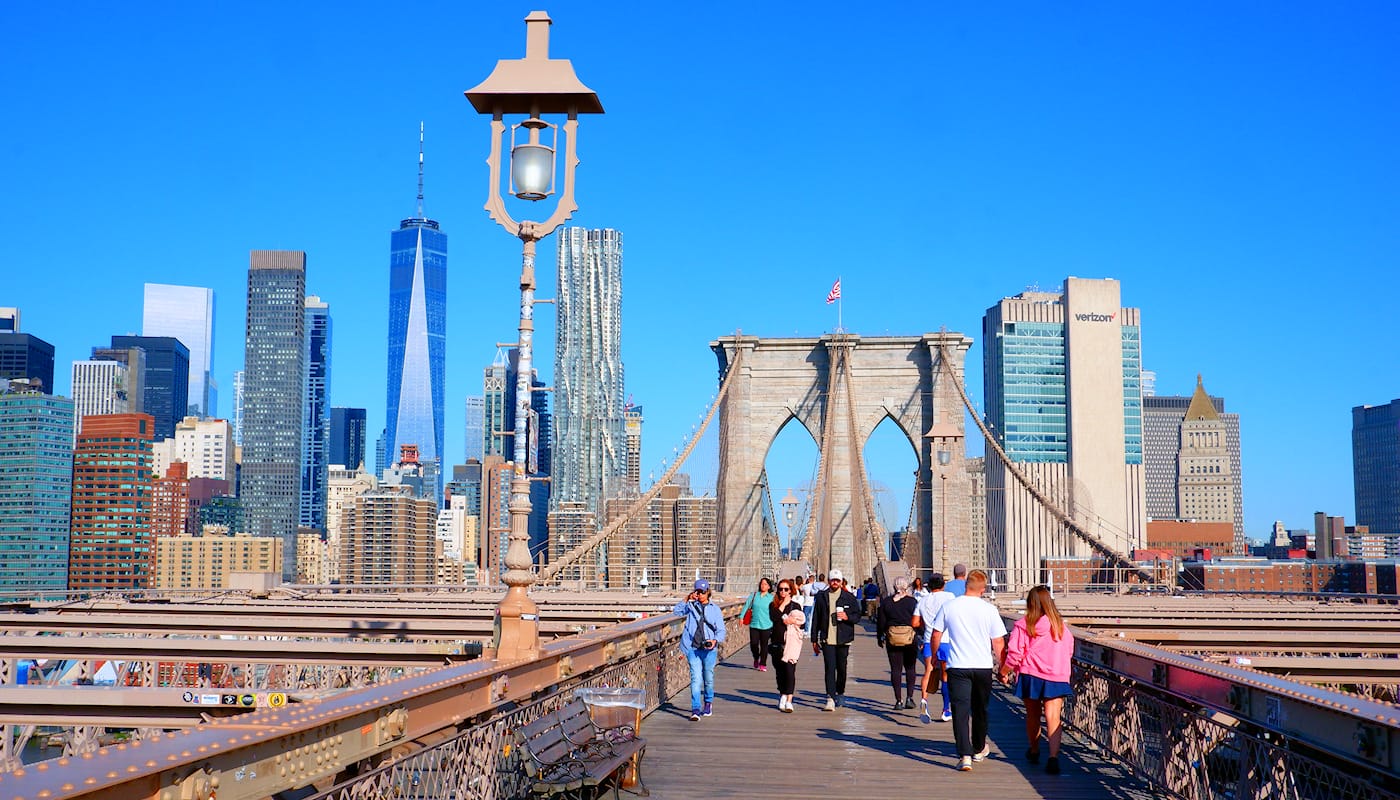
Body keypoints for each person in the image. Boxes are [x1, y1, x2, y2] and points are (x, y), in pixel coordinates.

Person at [930, 569, 1006, 771]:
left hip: (957, 666)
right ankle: (979, 748)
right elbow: (998, 641)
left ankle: (965, 755)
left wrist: (936, 658)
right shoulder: (989, 609)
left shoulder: (950, 606)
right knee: (981, 710)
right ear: (983, 589)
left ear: (966, 585)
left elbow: (936, 634)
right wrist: (1003, 668)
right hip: (982, 667)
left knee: (960, 711)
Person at [1000, 585, 1074, 775]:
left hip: (1031, 674)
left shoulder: (1024, 625)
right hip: (1056, 676)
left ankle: (1034, 750)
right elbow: (1069, 651)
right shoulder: (1061, 627)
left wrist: (1005, 670)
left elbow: (1015, 653)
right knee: (1053, 716)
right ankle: (1053, 758)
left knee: (1033, 716)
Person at [672, 578, 726, 721]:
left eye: (702, 592)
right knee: (695, 679)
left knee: (708, 678)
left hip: (709, 649)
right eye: (697, 591)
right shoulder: (690, 606)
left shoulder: (715, 609)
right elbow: (676, 612)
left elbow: (721, 630)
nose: (700, 594)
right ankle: (695, 708)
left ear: (708, 592)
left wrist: (715, 641)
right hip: (692, 647)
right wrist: (687, 598)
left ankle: (708, 703)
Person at [811, 568, 861, 711]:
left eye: (837, 580)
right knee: (829, 669)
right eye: (832, 580)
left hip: (843, 638)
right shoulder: (821, 597)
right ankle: (830, 698)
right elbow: (816, 618)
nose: (835, 582)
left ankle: (840, 693)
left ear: (841, 582)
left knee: (842, 669)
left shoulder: (849, 597)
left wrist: (847, 617)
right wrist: (814, 639)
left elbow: (857, 616)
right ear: (828, 581)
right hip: (827, 639)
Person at [913, 572, 956, 723]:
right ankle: (946, 709)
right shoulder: (950, 597)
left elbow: (914, 623)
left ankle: (924, 700)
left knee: (928, 672)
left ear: (929, 586)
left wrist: (926, 625)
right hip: (945, 640)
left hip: (928, 640)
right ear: (943, 585)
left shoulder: (923, 601)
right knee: (945, 675)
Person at [876, 575, 920, 710]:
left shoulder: (887, 602)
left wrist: (880, 637)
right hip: (910, 639)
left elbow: (881, 622)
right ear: (906, 587)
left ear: (894, 587)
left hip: (892, 639)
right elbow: (918, 621)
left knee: (896, 669)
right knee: (910, 668)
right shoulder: (912, 602)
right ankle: (910, 698)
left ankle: (898, 701)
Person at [769, 578, 806, 712]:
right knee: (780, 673)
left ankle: (789, 699)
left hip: (791, 644)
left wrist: (793, 621)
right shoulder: (773, 605)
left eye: (786, 589)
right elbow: (774, 618)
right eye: (780, 589)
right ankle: (782, 693)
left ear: (791, 590)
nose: (783, 592)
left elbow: (802, 623)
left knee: (790, 671)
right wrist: (783, 604)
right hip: (777, 642)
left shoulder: (796, 606)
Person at [741, 577, 776, 671]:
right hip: (754, 624)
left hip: (767, 624)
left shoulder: (772, 598)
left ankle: (763, 664)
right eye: (762, 584)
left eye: (765, 584)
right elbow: (746, 606)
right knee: (754, 644)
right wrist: (741, 617)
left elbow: (775, 611)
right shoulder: (754, 595)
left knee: (764, 645)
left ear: (769, 586)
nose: (763, 586)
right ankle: (756, 658)